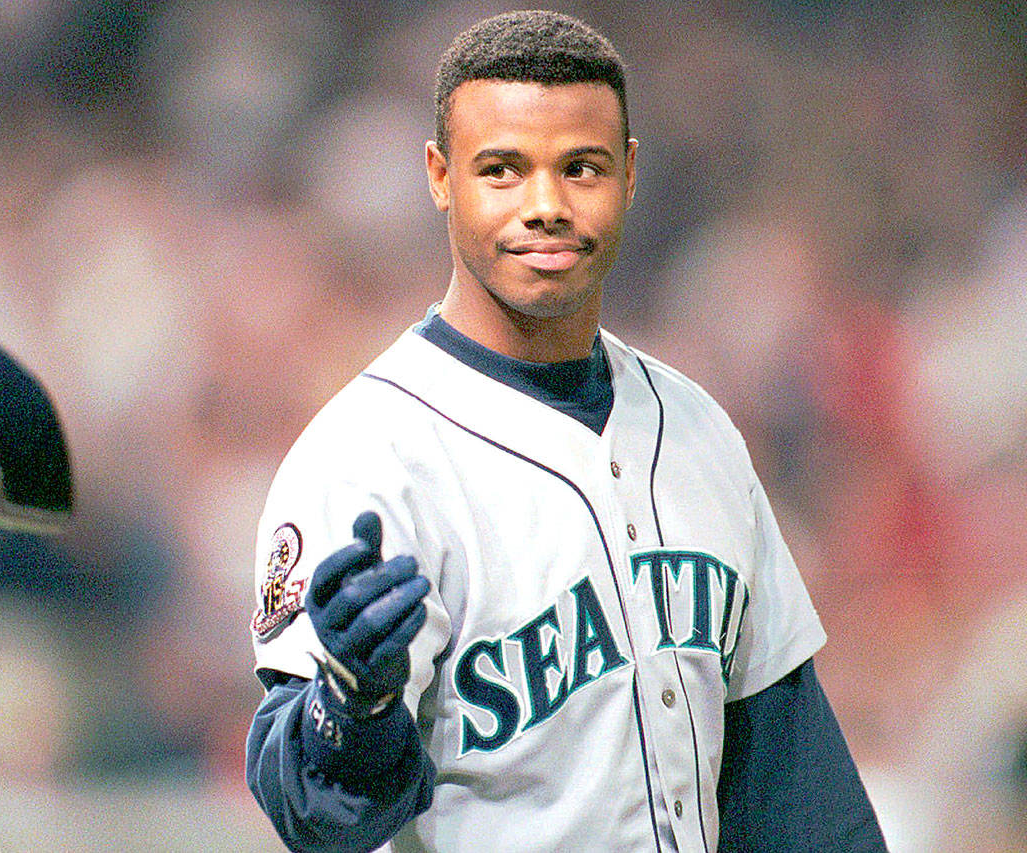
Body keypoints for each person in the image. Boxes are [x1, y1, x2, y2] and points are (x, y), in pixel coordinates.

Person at [244, 10, 886, 852]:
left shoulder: (697, 429)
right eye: (502, 170)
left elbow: (796, 790)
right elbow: (315, 819)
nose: (544, 205)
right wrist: (349, 703)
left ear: (628, 174)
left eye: (579, 168)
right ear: (441, 176)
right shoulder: (366, 456)